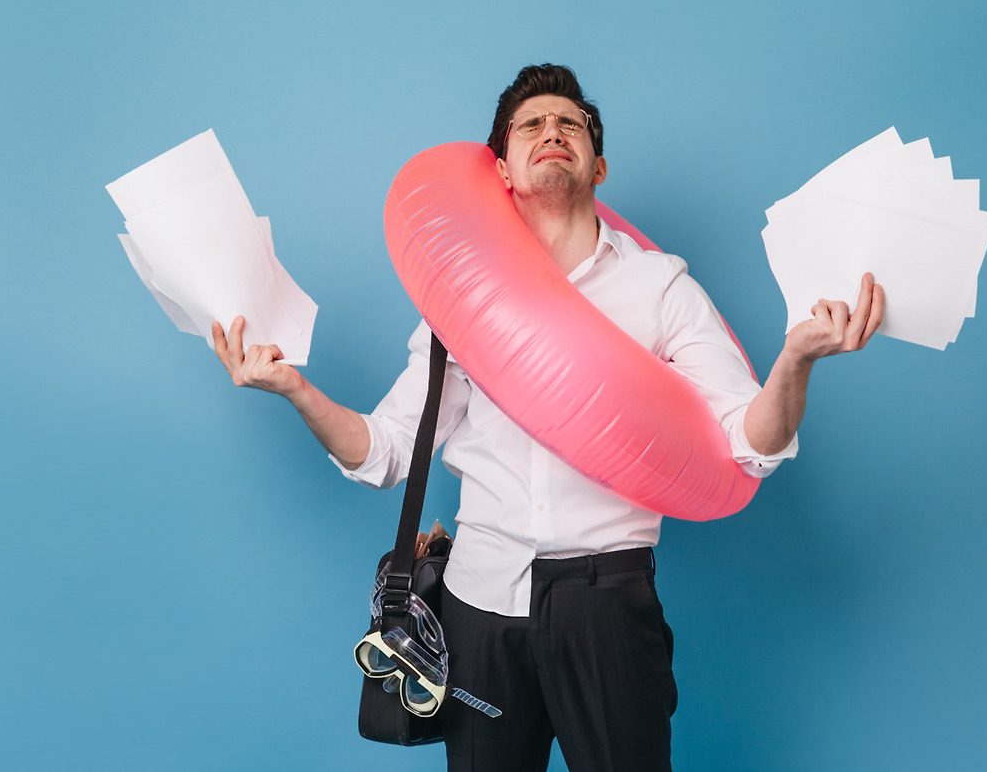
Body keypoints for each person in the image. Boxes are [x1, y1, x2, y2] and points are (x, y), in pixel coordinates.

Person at [211, 63, 884, 771]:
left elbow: (747, 444)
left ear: (599, 165)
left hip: (609, 606)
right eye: (530, 124)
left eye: (571, 123)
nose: (551, 131)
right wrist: (295, 389)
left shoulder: (660, 287)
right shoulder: (462, 297)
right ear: (501, 168)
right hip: (479, 603)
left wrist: (798, 359)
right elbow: (385, 454)